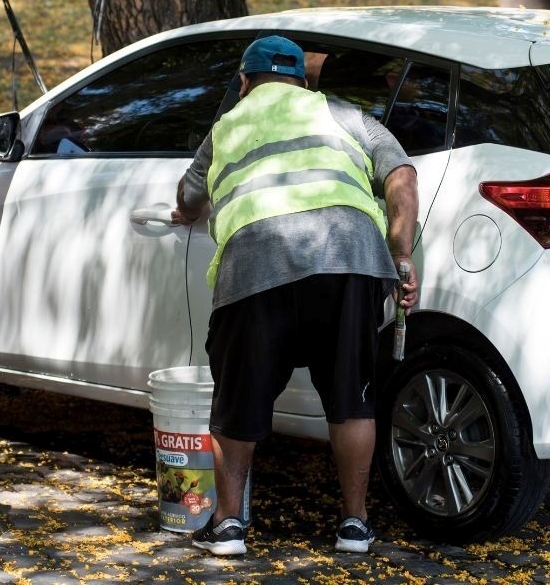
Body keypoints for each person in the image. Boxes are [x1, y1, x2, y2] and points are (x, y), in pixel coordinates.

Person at [173, 35, 419, 556]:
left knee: (237, 402)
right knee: (352, 400)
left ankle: (228, 527)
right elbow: (400, 172)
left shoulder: (226, 128)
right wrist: (400, 253)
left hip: (257, 260)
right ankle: (354, 526)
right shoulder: (347, 116)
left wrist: (188, 212)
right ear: (303, 82)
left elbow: (189, 197)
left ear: (244, 82)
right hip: (348, 259)